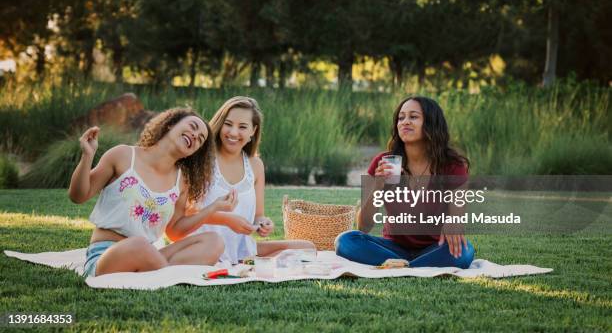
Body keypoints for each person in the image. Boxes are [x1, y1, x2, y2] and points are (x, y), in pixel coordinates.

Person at [69, 108, 237, 277]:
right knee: (139, 245)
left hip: (150, 255)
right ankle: (165, 275)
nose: (195, 136)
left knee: (214, 242)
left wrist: (213, 208)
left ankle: (157, 272)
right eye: (192, 127)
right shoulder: (123, 155)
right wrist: (87, 157)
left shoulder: (181, 181)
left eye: (200, 139)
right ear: (171, 125)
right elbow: (78, 196)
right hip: (107, 255)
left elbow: (174, 231)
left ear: (193, 152)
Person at [335, 96, 475, 268]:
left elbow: (457, 218)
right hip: (392, 248)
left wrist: (453, 223)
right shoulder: (384, 162)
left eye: (413, 117)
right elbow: (363, 226)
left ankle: (404, 266)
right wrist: (378, 186)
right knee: (346, 241)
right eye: (401, 118)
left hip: (434, 247)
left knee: (465, 250)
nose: (405, 122)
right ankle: (416, 267)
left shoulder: (452, 166)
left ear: (431, 123)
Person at [191, 96, 315, 264]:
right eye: (228, 124)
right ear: (220, 124)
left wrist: (263, 223)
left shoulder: (255, 165)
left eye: (242, 127)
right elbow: (187, 214)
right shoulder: (201, 159)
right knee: (291, 257)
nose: (233, 132)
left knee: (307, 247)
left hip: (242, 249)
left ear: (253, 131)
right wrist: (227, 219)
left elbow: (258, 215)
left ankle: (249, 261)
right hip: (205, 247)